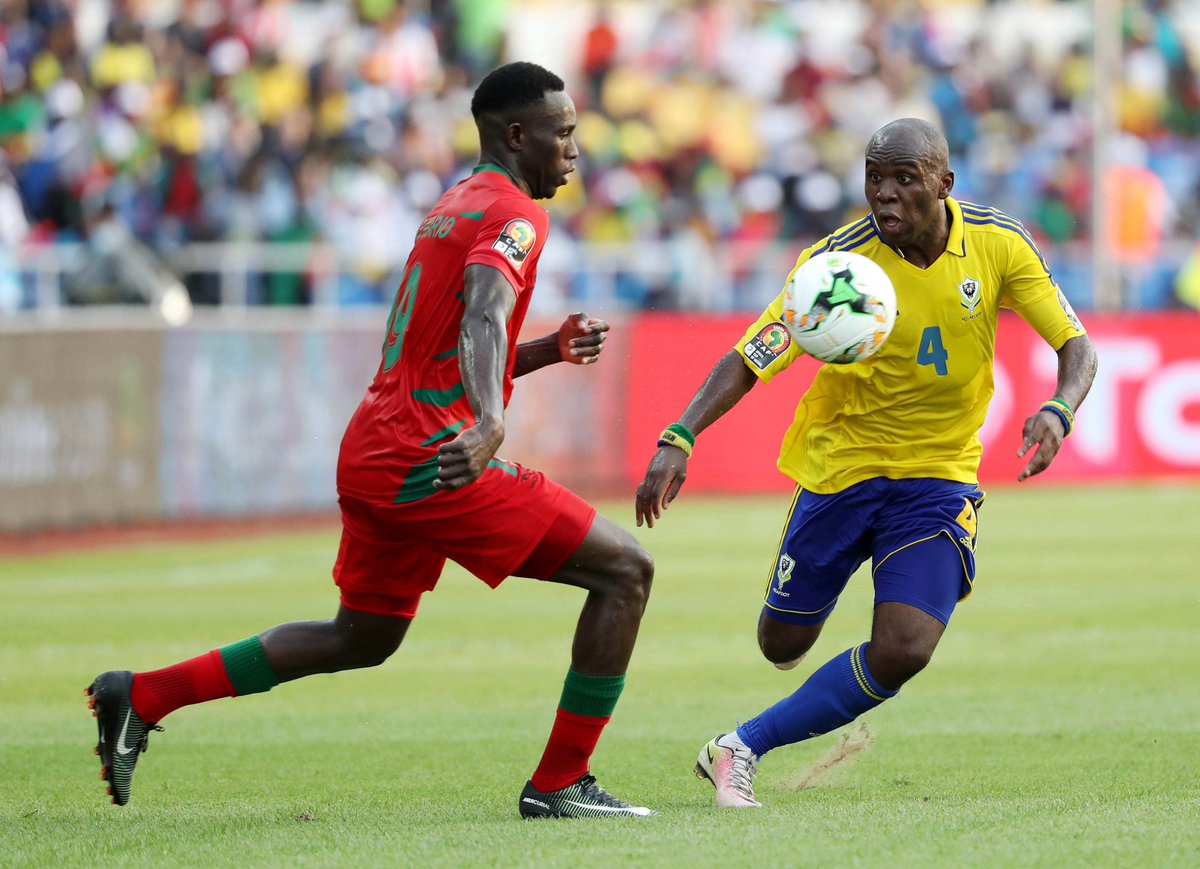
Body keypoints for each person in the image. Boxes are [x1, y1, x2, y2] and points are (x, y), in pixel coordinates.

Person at [87, 62, 657, 820]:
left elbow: (449, 345)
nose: (575, 150)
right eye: (565, 133)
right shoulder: (516, 214)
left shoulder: (454, 204)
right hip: (430, 457)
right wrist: (490, 423)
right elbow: (482, 315)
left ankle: (145, 694)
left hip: (377, 450)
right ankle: (561, 783)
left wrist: (546, 350)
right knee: (626, 572)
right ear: (519, 136)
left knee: (362, 637)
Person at [635, 118, 1098, 809]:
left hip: (938, 475)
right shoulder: (836, 266)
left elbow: (1076, 344)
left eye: (904, 179)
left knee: (905, 646)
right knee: (781, 642)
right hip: (842, 469)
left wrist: (1060, 408)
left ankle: (739, 747)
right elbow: (753, 354)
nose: (884, 194)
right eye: (874, 178)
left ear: (944, 183)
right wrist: (681, 434)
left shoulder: (998, 243)